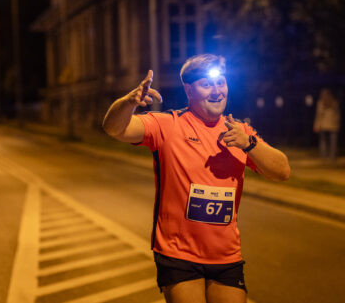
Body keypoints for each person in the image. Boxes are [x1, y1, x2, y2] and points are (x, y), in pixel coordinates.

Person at [102, 54, 290, 303]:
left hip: (226, 255)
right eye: (207, 84)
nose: (216, 91)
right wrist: (128, 103)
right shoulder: (168, 124)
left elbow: (283, 171)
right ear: (189, 90)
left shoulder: (239, 131)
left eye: (221, 83)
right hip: (179, 254)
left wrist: (250, 144)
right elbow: (115, 128)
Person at [313, 88, 340, 162]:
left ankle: (324, 156)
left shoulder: (321, 103)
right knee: (332, 142)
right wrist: (337, 123)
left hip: (324, 125)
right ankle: (331, 156)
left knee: (324, 141)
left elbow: (318, 115)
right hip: (333, 124)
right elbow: (337, 115)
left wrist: (316, 125)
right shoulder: (334, 102)